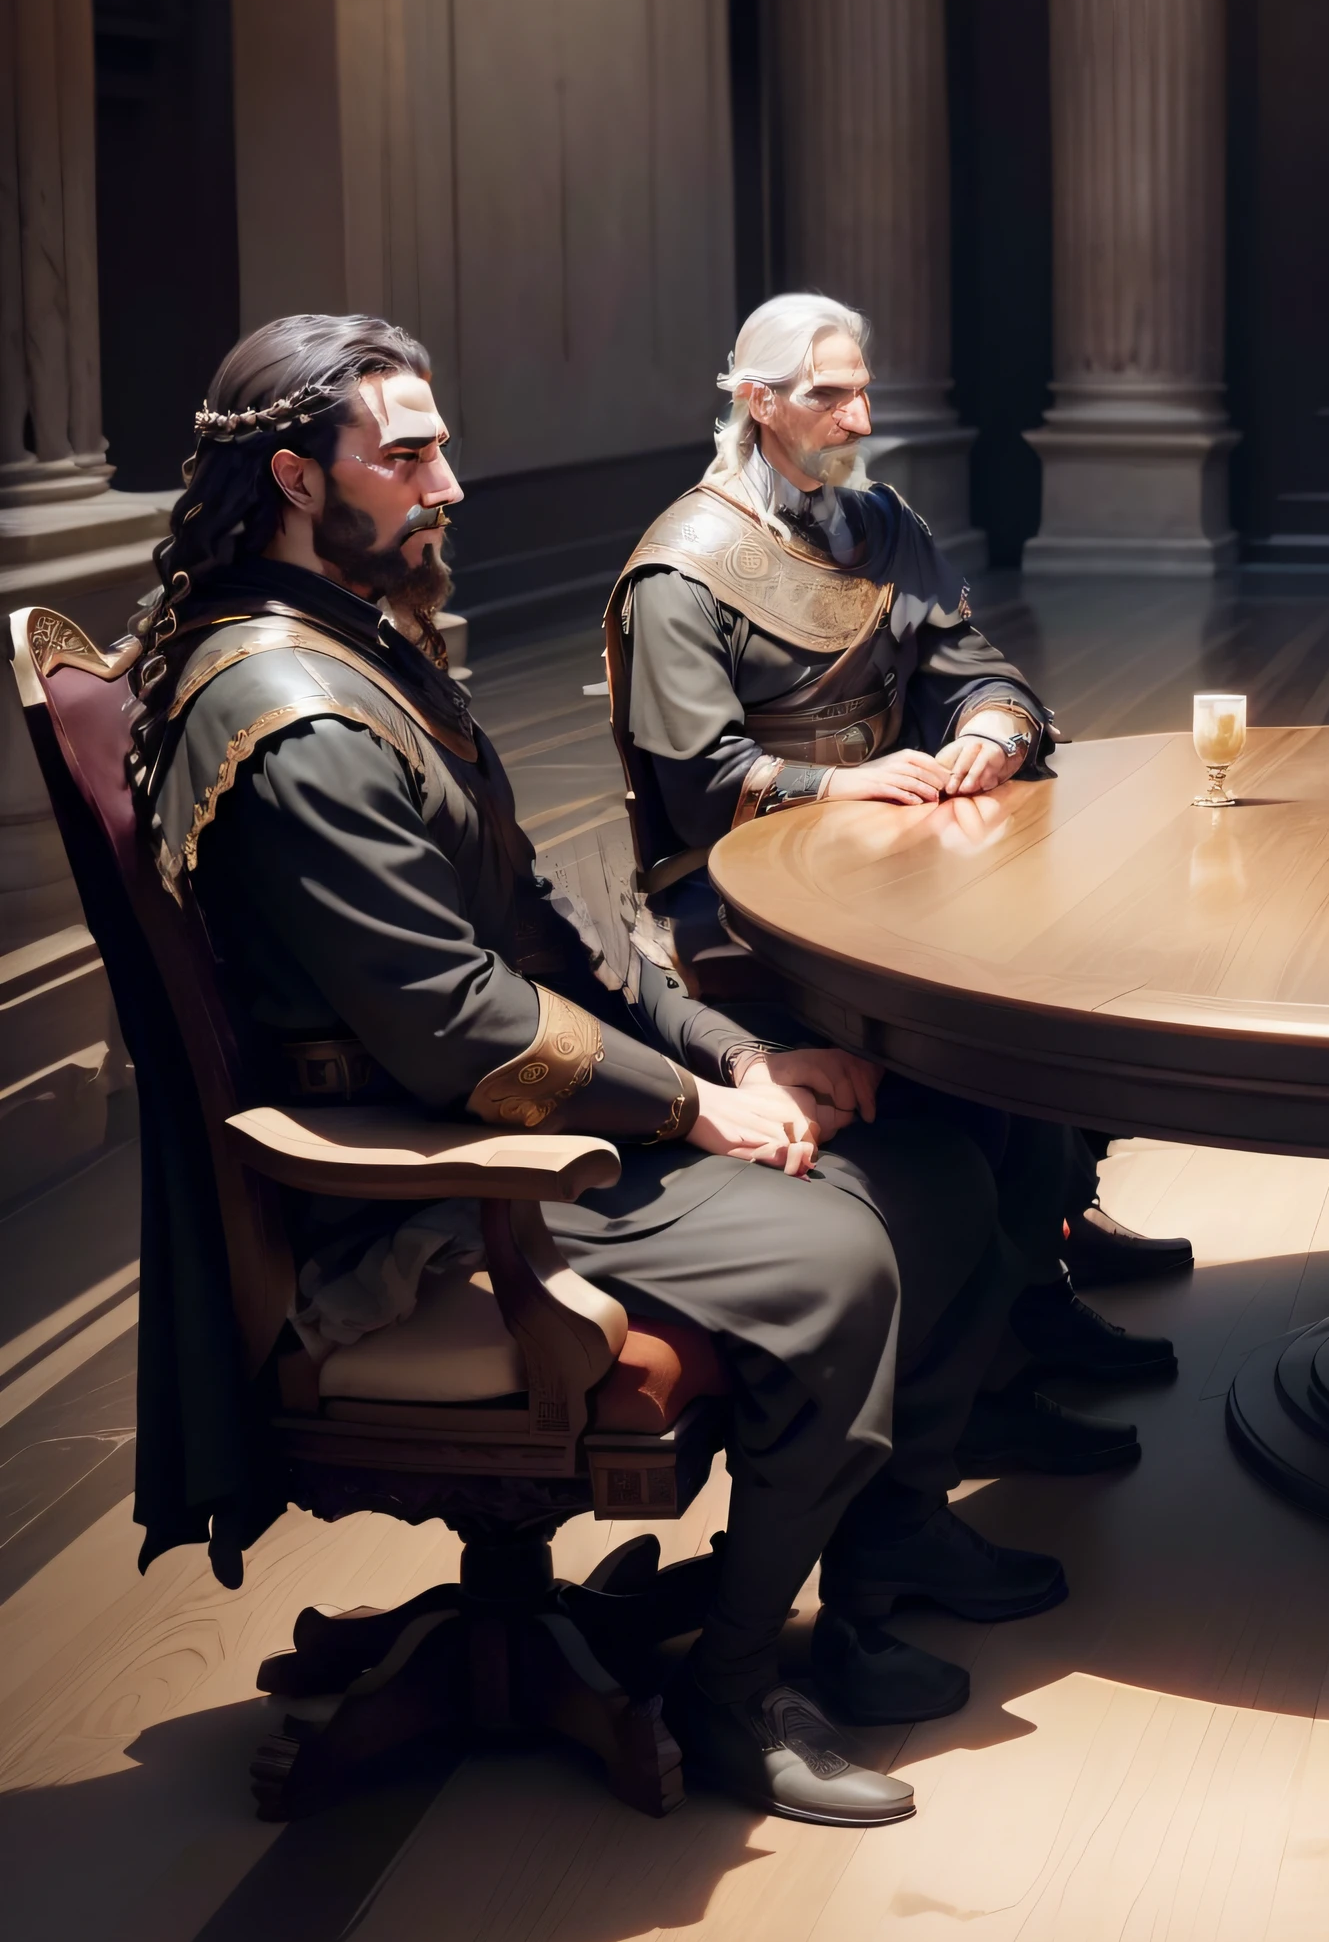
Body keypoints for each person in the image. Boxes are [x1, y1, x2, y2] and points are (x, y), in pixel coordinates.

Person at [133, 316, 1069, 1828]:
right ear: (299, 481)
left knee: (937, 1176)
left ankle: (874, 1570)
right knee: (837, 1251)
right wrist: (703, 1106)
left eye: (443, 443)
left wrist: (742, 1044)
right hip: (421, 1183)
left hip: (499, 1104)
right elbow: (456, 1020)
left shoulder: (359, 649)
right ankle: (731, 1688)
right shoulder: (291, 717)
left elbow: (551, 940)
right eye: (409, 455)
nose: (450, 483)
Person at [605, 294, 1188, 1476]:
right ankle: (980, 1375)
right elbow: (692, 788)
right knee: (984, 1064)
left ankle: (1029, 1299)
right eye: (829, 395)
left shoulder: (880, 525)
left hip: (902, 859)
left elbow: (983, 672)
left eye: (864, 389)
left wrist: (990, 730)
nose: (859, 416)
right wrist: (850, 786)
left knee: (1059, 980)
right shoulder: (683, 567)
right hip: (742, 902)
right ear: (755, 402)